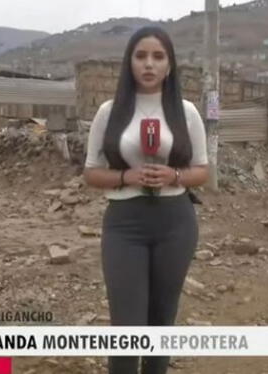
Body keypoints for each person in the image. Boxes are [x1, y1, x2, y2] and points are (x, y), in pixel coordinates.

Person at [83, 26, 209, 374]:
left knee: (161, 320)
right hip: (124, 223)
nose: (149, 64)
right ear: (129, 63)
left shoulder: (187, 112)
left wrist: (175, 176)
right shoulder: (110, 112)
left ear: (170, 65)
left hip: (176, 222)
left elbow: (202, 170)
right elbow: (91, 172)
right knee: (127, 324)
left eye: (158, 56)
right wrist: (126, 176)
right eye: (141, 56)